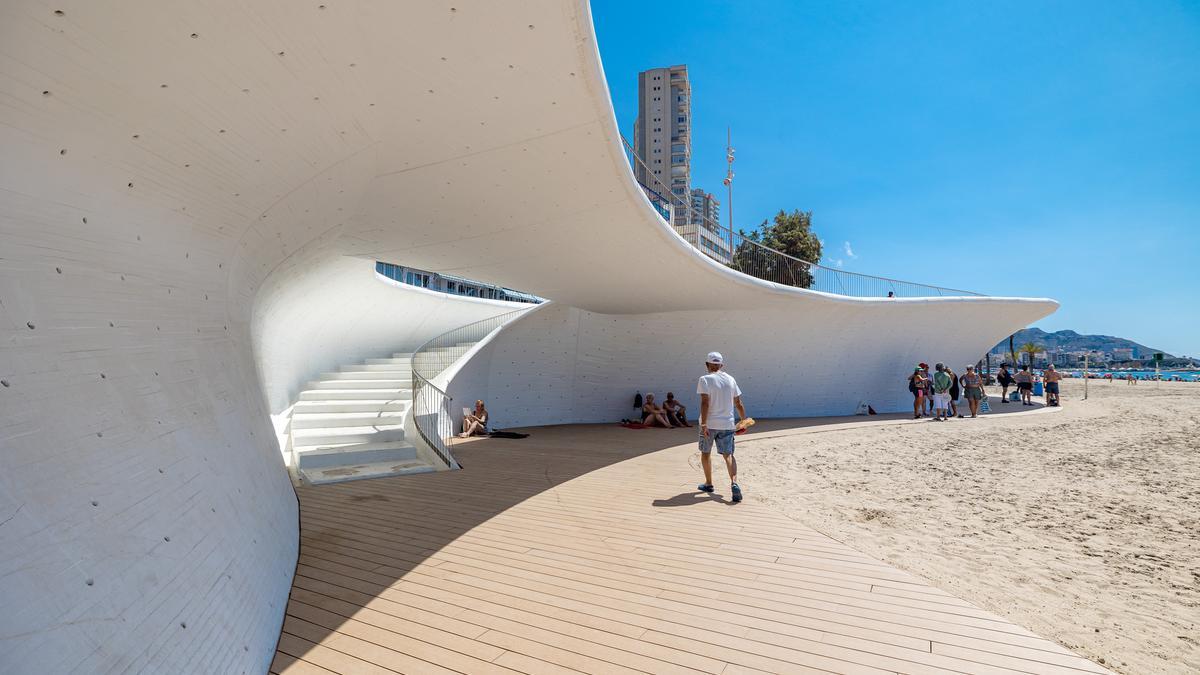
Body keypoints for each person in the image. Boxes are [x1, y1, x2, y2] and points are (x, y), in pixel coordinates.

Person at [696, 351, 748, 502]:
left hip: (709, 424)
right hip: (727, 424)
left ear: (707, 364)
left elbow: (705, 402)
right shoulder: (731, 379)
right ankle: (734, 483)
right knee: (728, 455)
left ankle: (709, 483)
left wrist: (704, 423)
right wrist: (744, 421)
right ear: (721, 365)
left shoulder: (704, 379)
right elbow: (738, 403)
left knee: (705, 453)